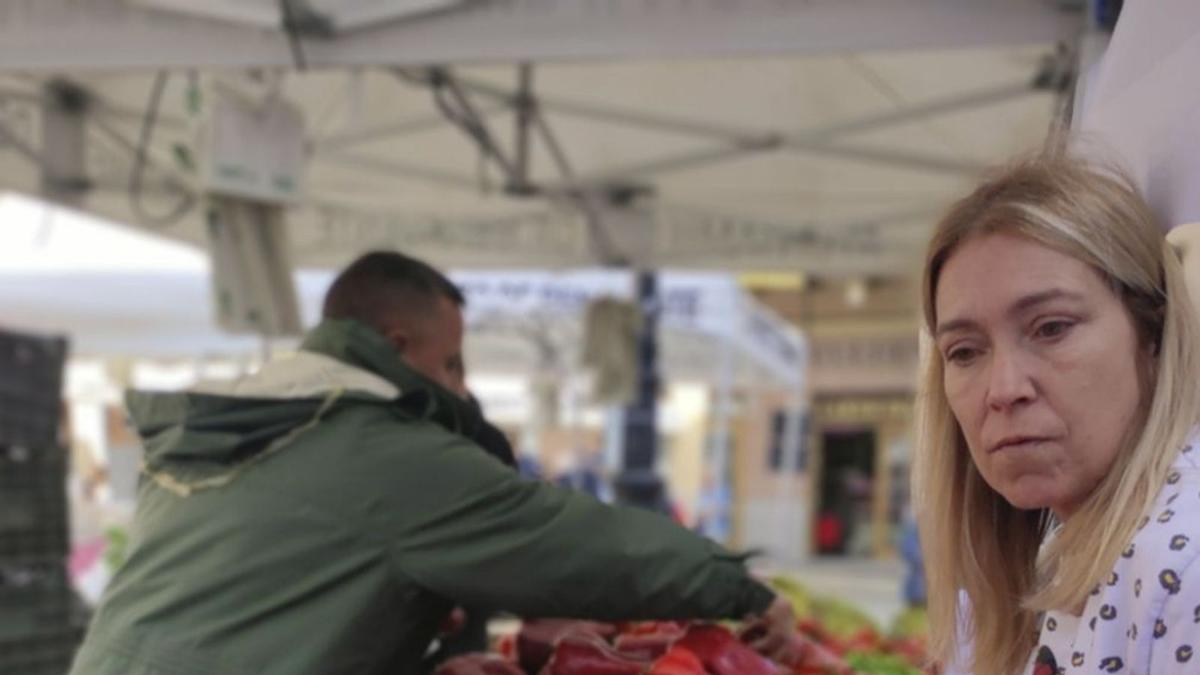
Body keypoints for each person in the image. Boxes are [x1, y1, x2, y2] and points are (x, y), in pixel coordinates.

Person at [68, 251, 796, 675]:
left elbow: (254, 619)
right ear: (396, 344)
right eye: (452, 362)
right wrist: (737, 586)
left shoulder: (245, 423)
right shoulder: (375, 449)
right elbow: (571, 540)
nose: (462, 387)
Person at [913, 147, 1200, 674]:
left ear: (1152, 334)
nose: (1003, 389)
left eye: (1051, 328)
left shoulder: (1184, 568)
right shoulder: (1044, 560)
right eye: (965, 352)